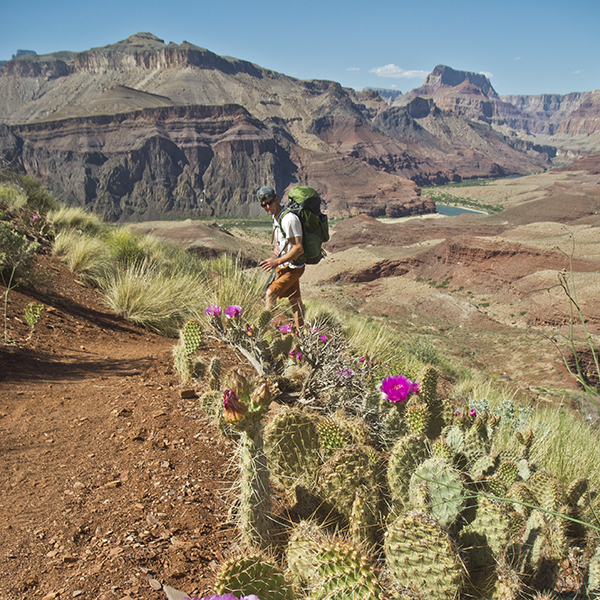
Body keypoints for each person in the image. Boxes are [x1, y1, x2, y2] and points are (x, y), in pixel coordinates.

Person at [258, 186, 306, 329]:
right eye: (263, 205)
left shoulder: (289, 219)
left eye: (270, 202)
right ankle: (301, 335)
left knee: (270, 293)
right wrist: (276, 247)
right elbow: (275, 229)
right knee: (295, 300)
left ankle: (263, 331)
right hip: (285, 265)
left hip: (293, 267)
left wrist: (277, 261)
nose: (267, 207)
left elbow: (298, 248)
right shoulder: (276, 216)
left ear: (277, 199)